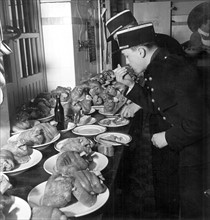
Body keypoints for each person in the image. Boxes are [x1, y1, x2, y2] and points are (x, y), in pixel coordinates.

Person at [113, 22, 209, 219]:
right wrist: (131, 85)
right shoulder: (160, 64)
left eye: (128, 57)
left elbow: (202, 122)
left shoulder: (174, 70)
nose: (128, 63)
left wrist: (167, 137)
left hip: (196, 155)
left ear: (140, 52)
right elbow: (158, 103)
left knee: (193, 210)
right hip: (185, 146)